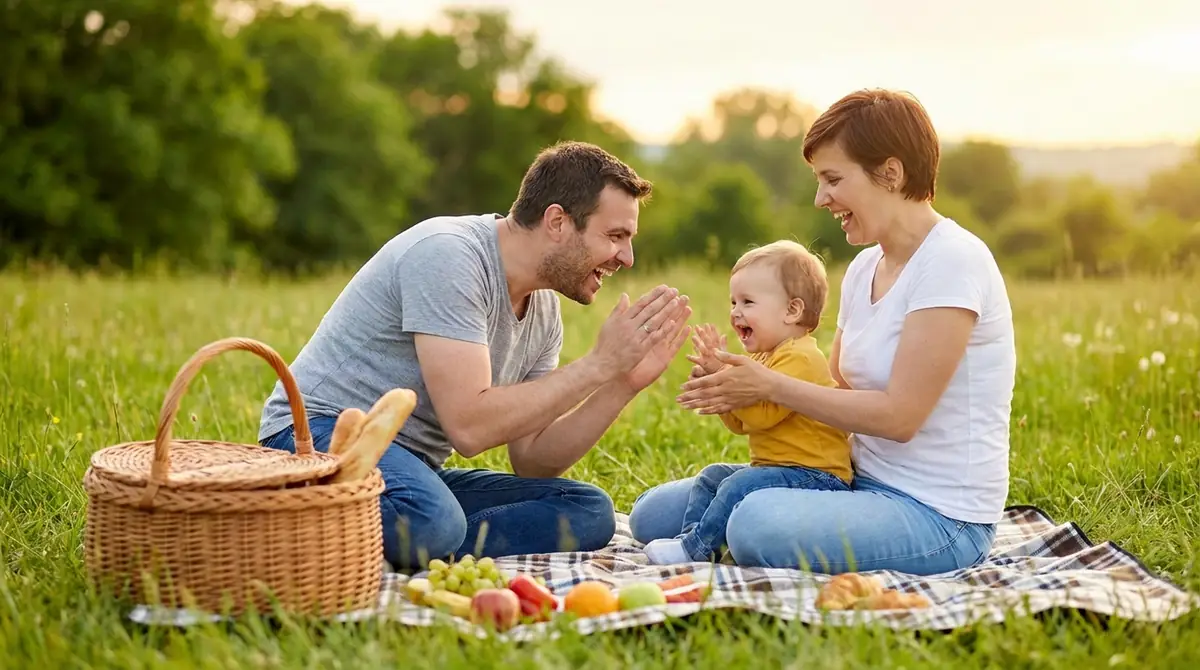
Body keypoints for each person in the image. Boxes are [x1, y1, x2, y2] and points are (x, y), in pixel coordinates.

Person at [629, 89, 1016, 576]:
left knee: (753, 524)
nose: (820, 198)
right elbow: (830, 397)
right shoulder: (863, 268)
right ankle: (741, 536)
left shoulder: (953, 262)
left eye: (833, 179)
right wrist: (741, 386)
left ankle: (748, 539)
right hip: (848, 480)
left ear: (891, 174)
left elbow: (900, 417)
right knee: (652, 517)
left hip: (938, 516)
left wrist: (769, 384)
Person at [258, 141, 692, 570]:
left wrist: (620, 383)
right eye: (615, 236)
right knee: (432, 520)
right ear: (557, 221)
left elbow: (533, 459)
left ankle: (422, 536)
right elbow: (468, 426)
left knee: (586, 509)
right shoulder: (448, 255)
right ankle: (292, 517)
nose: (628, 258)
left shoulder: (543, 311)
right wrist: (596, 364)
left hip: (410, 468)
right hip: (317, 437)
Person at [642, 241, 853, 565]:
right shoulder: (762, 358)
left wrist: (725, 377)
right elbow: (742, 425)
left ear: (792, 310)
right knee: (713, 476)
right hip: (780, 469)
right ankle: (692, 543)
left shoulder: (801, 356)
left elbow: (762, 418)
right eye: (733, 302)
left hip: (818, 476)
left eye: (748, 302)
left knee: (739, 483)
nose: (735, 311)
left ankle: (695, 549)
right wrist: (720, 391)